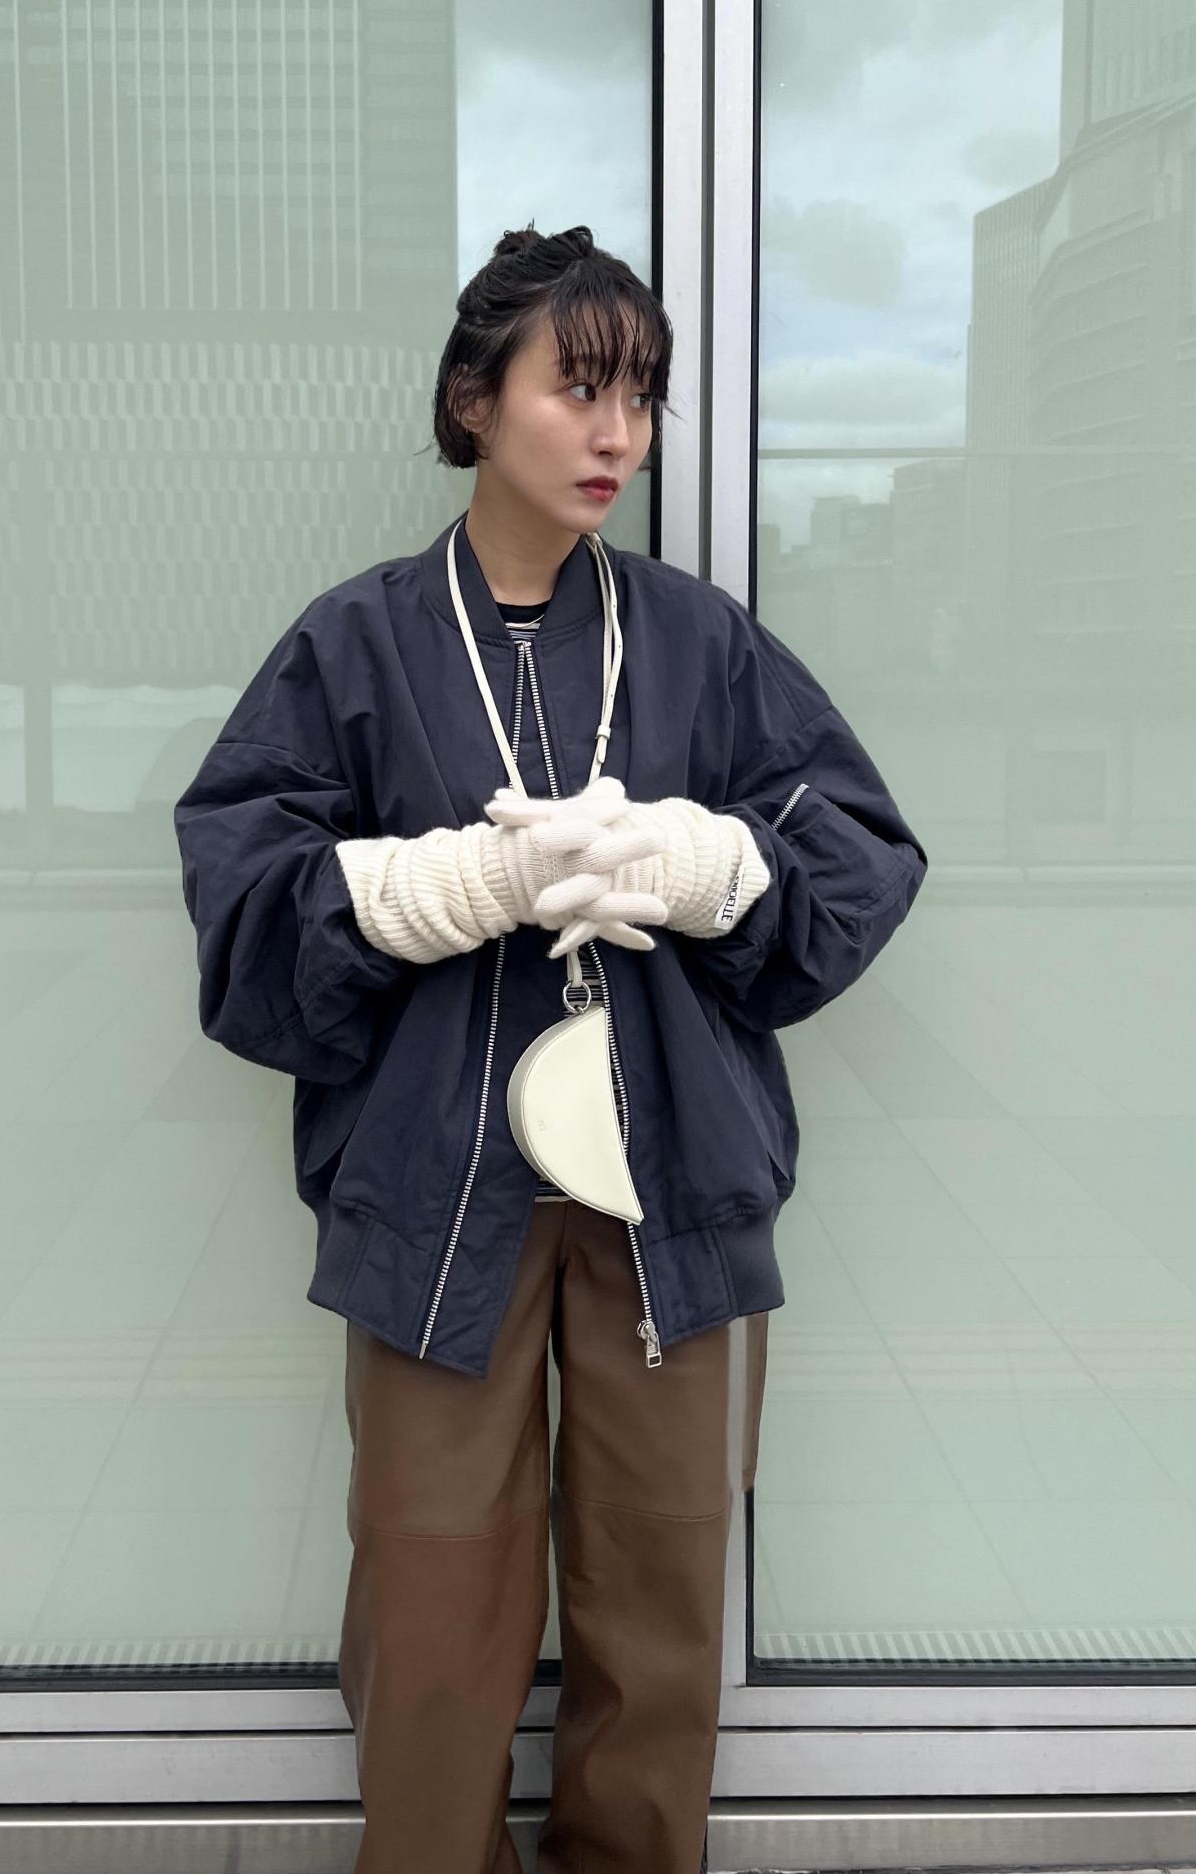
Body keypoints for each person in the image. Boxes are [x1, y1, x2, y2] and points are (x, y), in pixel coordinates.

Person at [173, 223, 928, 1874]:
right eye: (578, 388)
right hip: (436, 1199)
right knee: (432, 1605)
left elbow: (858, 858)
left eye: (640, 396)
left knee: (660, 1603)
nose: (618, 434)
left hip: (671, 1190)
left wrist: (713, 867)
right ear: (473, 399)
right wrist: (428, 890)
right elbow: (243, 904)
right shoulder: (356, 645)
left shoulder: (700, 641)